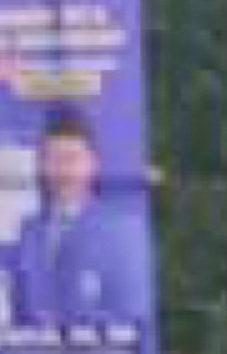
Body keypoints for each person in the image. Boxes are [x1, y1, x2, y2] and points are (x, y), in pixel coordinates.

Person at [13, 107, 159, 339]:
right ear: (41, 166)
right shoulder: (29, 230)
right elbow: (20, 312)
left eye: (72, 159)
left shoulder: (122, 230)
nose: (63, 170)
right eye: (53, 159)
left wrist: (68, 324)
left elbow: (134, 315)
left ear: (93, 163)